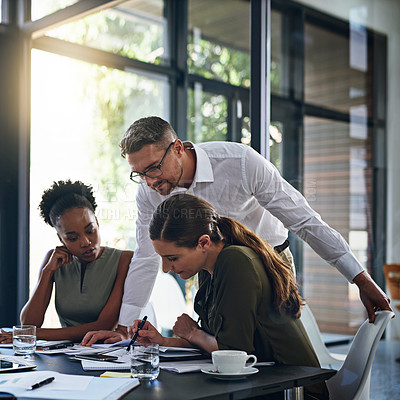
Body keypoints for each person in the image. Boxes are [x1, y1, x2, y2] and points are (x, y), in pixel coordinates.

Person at [82, 116, 391, 345]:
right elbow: (147, 257)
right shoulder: (151, 191)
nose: (149, 181)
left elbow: (304, 221)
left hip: (268, 261)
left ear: (177, 148)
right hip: (211, 266)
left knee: (268, 351)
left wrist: (360, 279)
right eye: (139, 174)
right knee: (219, 349)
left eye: (153, 168)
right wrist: (124, 327)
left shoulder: (240, 163)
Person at [131, 193, 329, 400]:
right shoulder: (209, 268)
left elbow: (234, 353)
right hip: (263, 382)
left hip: (292, 390)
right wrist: (162, 341)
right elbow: (216, 342)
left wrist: (192, 333)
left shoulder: (235, 261)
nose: (165, 269)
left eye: (172, 258)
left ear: (203, 243)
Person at [0, 180, 132, 343]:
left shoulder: (124, 260)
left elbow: (104, 326)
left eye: (90, 231)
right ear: (60, 239)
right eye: (72, 238)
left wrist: (35, 335)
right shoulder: (54, 260)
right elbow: (28, 324)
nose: (85, 242)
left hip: (109, 356)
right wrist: (47, 273)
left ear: (97, 223)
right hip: (66, 355)